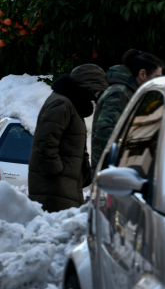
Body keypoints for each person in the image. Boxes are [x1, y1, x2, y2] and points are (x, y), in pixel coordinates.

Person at [29, 64, 109, 212]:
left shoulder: (70, 104)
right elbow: (44, 143)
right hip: (54, 188)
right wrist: (57, 172)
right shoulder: (62, 104)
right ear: (86, 87)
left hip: (63, 186)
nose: (95, 97)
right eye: (95, 91)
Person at [91, 50, 164, 168]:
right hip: (111, 172)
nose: (158, 83)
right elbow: (105, 132)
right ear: (142, 74)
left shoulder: (129, 92)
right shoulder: (119, 93)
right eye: (156, 77)